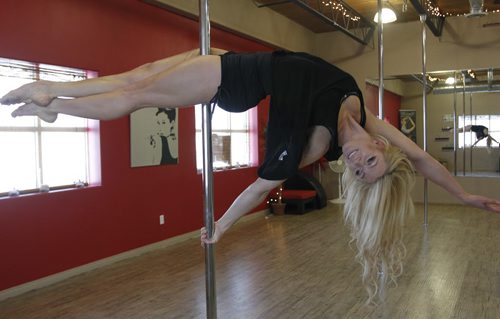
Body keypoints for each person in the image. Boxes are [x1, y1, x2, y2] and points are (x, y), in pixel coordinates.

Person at [2, 48, 500, 302]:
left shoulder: (319, 144)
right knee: (142, 74)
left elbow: (262, 185)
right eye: (370, 162)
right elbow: (422, 160)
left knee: (140, 93)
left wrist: (221, 227)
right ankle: (52, 106)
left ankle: (53, 98)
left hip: (234, 79)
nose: (358, 164)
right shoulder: (368, 118)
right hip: (238, 61)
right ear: (378, 147)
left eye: (360, 172)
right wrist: (466, 193)